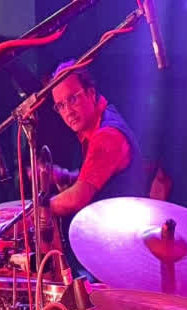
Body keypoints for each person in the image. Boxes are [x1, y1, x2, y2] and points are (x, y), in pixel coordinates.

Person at [42, 60, 147, 271]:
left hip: (120, 255)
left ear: (90, 93)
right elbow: (102, 178)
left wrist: (40, 209)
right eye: (61, 105)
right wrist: (65, 176)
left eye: (73, 98)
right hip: (111, 247)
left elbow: (78, 198)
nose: (68, 111)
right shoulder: (96, 123)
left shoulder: (107, 135)